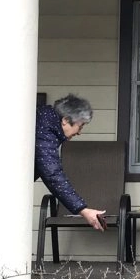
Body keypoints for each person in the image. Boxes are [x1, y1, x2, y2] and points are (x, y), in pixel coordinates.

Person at [35, 94, 106, 231]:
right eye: (81, 126)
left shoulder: (47, 122)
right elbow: (53, 175)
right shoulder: (45, 132)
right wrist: (83, 210)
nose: (79, 132)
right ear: (65, 120)